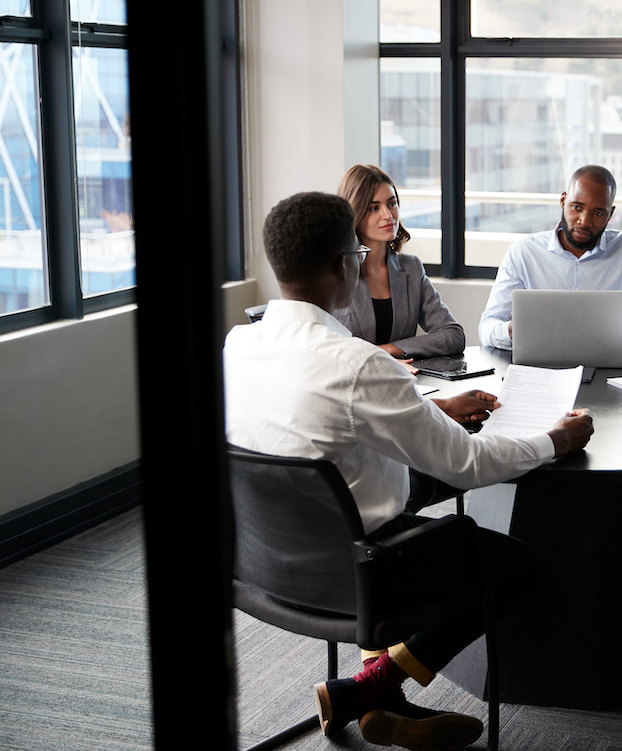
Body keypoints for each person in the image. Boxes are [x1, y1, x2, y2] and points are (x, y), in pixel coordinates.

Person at [224, 191, 594, 750]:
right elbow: (468, 465)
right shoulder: (359, 363)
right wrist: (553, 440)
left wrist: (432, 410)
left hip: (265, 562)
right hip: (364, 569)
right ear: (343, 264)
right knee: (514, 565)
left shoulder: (238, 345)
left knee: (413, 483)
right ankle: (373, 686)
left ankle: (377, 698)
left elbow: (327, 420)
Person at [477, 164, 622, 349]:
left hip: (609, 372)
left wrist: (556, 330)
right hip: (539, 371)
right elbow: (487, 328)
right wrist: (511, 331)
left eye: (598, 213)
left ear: (610, 214)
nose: (584, 221)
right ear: (563, 201)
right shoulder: (524, 252)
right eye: (577, 207)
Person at [332, 163, 466, 363]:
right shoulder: (333, 274)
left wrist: (391, 350)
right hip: (351, 383)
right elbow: (325, 347)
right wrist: (376, 358)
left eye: (392, 203)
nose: (388, 215)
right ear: (354, 213)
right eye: (374, 208)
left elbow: (453, 335)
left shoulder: (411, 268)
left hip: (405, 382)